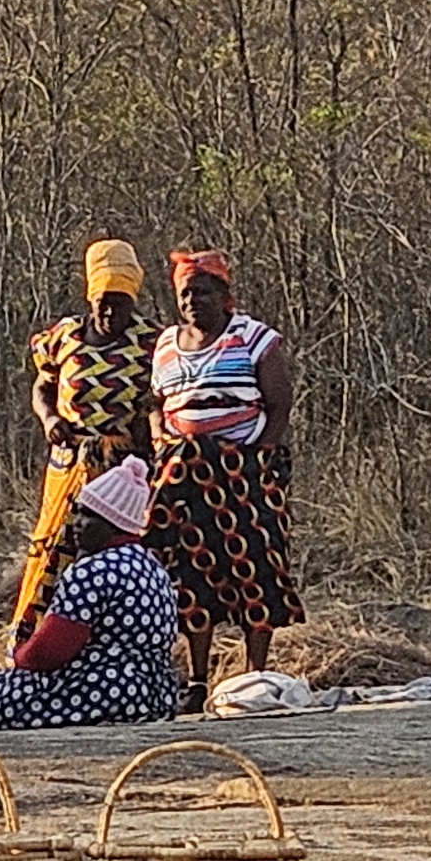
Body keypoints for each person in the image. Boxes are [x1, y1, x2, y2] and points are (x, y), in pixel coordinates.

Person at [148, 247, 305, 698]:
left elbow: (279, 404)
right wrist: (162, 439)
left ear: (224, 295)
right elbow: (157, 406)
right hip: (184, 474)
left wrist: (261, 454)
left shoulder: (255, 339)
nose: (192, 301)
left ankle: (255, 673)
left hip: (245, 472)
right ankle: (198, 679)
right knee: (193, 576)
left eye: (202, 291)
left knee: (256, 567)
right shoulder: (164, 345)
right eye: (185, 293)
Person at [0, 458, 185, 730]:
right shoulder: (153, 568)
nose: (76, 523)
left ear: (111, 525)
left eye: (88, 516)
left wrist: (19, 658)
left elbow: (50, 653)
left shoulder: (92, 571)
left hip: (99, 693)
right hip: (155, 697)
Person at [12, 239, 155, 643]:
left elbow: (157, 403)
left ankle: (105, 645)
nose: (110, 312)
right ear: (90, 297)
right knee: (55, 552)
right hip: (70, 464)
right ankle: (33, 645)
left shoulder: (150, 342)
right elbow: (43, 387)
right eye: (102, 302)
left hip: (123, 471)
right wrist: (50, 417)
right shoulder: (65, 337)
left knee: (114, 554)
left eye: (120, 302)